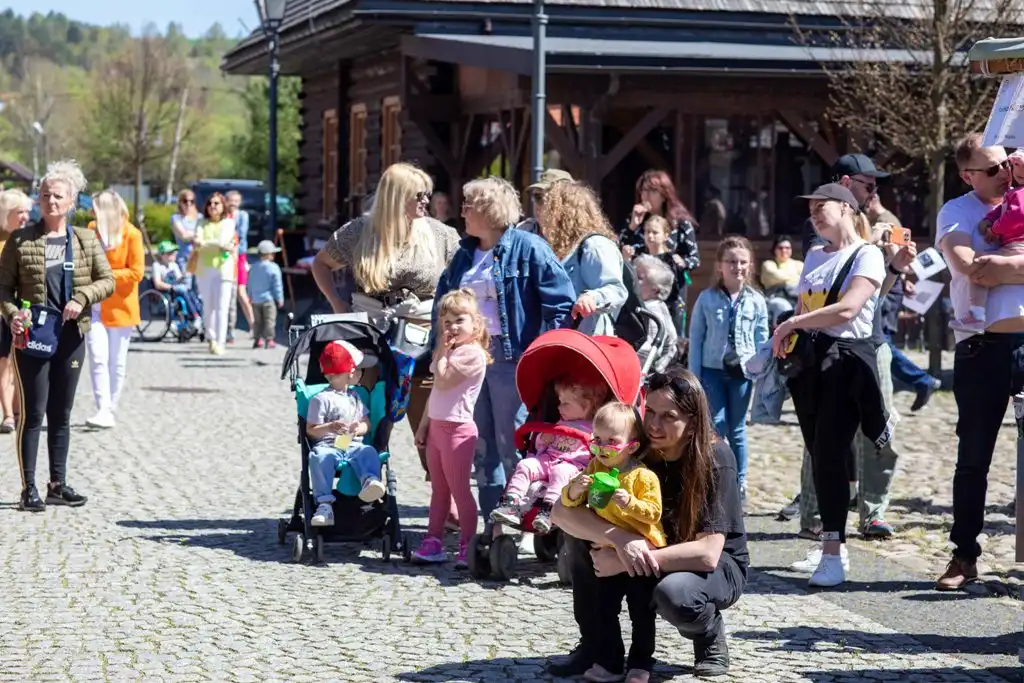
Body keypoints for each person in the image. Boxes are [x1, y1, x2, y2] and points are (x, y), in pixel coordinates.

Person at [550, 367, 747, 679]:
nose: (654, 425)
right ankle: (594, 646)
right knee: (579, 538)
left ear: (693, 420)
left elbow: (708, 552)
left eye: (668, 416)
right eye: (650, 411)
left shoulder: (715, 457)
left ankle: (708, 634)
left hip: (713, 566)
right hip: (651, 545)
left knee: (675, 595)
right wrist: (619, 539)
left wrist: (626, 559)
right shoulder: (636, 449)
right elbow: (560, 513)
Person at [770, 183, 894, 588]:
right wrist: (788, 332)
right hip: (811, 364)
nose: (815, 215)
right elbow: (806, 309)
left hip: (846, 362)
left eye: (822, 207)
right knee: (819, 453)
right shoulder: (815, 257)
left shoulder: (868, 254)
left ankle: (833, 553)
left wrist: (793, 322)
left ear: (845, 208)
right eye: (811, 209)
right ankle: (831, 545)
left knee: (828, 453)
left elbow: (849, 308)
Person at [433, 176, 575, 525]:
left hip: (512, 358)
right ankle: (493, 523)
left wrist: (543, 352)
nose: (462, 211)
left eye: (468, 205)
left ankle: (526, 519)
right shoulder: (464, 253)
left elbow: (562, 302)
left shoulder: (529, 247)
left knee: (514, 441)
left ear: (488, 209)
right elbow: (443, 301)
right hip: (469, 356)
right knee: (480, 444)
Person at [311, 162, 460, 478]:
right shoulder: (359, 232)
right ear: (396, 197)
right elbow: (321, 265)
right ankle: (364, 488)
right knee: (368, 417)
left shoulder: (439, 234)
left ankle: (442, 502)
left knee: (430, 422)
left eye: (427, 195)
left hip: (422, 336)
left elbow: (465, 277)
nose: (425, 201)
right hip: (370, 333)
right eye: (418, 195)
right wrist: (337, 303)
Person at [933, 134, 1024, 591]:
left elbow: (989, 267)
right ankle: (964, 554)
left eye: (1007, 165)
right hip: (981, 345)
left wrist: (1000, 263)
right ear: (967, 175)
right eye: (992, 169)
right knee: (973, 458)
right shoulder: (956, 211)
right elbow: (970, 266)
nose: (1005, 175)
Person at [0, 160, 115, 512]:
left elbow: (107, 281)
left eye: (58, 196)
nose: (51, 201)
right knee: (32, 414)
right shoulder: (21, 240)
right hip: (31, 336)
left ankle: (57, 484)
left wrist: (82, 297)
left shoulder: (85, 239)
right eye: (46, 195)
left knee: (61, 413)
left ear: (71, 202)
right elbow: (2, 289)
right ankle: (28, 488)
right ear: (39, 199)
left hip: (71, 334)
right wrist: (12, 315)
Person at [561, 402, 666, 683]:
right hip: (608, 554)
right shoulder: (594, 468)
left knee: (641, 613)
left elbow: (654, 512)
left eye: (611, 442)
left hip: (638, 556)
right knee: (604, 609)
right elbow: (568, 501)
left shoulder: (643, 476)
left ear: (631, 447)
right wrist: (575, 488)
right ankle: (610, 662)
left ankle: (641, 662)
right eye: (597, 440)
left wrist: (629, 502)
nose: (601, 448)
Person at [412, 289, 490, 566]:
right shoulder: (448, 352)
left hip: (458, 432)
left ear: (475, 324)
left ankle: (468, 544)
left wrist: (442, 351)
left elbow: (444, 380)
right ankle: (433, 540)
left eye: (459, 320)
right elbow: (436, 394)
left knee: (460, 491)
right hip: (437, 429)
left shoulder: (472, 355)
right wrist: (423, 426)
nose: (452, 327)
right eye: (446, 322)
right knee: (439, 491)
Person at [689, 235, 768, 497]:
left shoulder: (756, 300)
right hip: (712, 371)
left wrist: (757, 370)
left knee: (737, 428)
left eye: (743, 262)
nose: (738, 267)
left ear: (750, 265)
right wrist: (695, 378)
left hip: (742, 372)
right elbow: (696, 339)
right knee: (716, 426)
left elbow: (762, 339)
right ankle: (716, 476)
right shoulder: (706, 298)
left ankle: (740, 481)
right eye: (731, 261)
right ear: (720, 266)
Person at [490, 376, 609, 533]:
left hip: (573, 466)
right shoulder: (560, 422)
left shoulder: (594, 428)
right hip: (548, 459)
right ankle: (511, 503)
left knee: (561, 471)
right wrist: (543, 439)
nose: (559, 407)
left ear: (586, 406)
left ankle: (549, 510)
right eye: (560, 402)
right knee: (525, 464)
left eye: (565, 403)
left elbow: (595, 455)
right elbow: (540, 448)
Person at [308, 339, 387, 526]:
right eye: (358, 369)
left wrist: (360, 428)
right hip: (328, 444)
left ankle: (370, 482)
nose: (361, 373)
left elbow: (366, 422)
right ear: (348, 373)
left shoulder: (356, 397)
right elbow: (311, 430)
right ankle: (324, 505)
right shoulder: (320, 399)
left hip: (351, 443)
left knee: (368, 452)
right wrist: (329, 427)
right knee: (319, 457)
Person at [84, 190, 144, 430]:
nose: (91, 213)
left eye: (95, 208)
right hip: (93, 305)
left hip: (121, 306)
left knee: (116, 362)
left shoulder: (132, 234)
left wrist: (106, 276)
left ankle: (109, 409)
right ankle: (102, 408)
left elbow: (136, 272)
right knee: (97, 357)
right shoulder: (91, 230)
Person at [537, 181, 627, 337]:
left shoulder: (595, 246)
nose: (543, 214)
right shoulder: (559, 247)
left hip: (588, 343)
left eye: (550, 209)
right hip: (562, 340)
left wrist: (591, 297)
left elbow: (617, 291)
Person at [620, 171, 700, 283]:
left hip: (671, 287)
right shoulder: (634, 219)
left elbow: (694, 259)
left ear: (664, 195)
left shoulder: (680, 223)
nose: (646, 195)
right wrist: (632, 227)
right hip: (642, 286)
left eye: (653, 191)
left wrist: (681, 262)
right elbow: (619, 250)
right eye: (644, 190)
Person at [800, 154, 889, 254]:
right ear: (846, 183)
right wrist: (870, 241)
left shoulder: (860, 218)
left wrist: (895, 265)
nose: (873, 193)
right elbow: (820, 262)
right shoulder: (821, 220)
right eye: (869, 187)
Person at [0, 189, 31, 433]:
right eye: (19, 212)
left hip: (24, 311)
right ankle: (9, 415)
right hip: (2, 313)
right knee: (5, 364)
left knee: (22, 363)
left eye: (27, 211)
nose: (25, 216)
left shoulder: (29, 239)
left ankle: (21, 412)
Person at [193, 193, 237, 356]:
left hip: (223, 269)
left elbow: (223, 242)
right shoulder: (201, 222)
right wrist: (215, 244)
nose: (213, 206)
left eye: (216, 203)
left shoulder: (228, 223)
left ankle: (221, 342)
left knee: (222, 307)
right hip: (204, 269)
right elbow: (197, 242)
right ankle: (211, 338)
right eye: (210, 203)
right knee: (208, 307)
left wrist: (206, 243)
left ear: (223, 206)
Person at [637, 215, 689, 336]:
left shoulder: (672, 259)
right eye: (647, 232)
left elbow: (676, 288)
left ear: (666, 235)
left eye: (655, 232)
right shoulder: (640, 258)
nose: (650, 236)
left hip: (670, 308)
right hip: (645, 307)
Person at [633, 255, 679, 373]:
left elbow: (651, 350)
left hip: (647, 373)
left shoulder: (653, 312)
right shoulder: (647, 305)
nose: (633, 279)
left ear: (655, 290)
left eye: (639, 278)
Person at [225, 191, 254, 344]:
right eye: (231, 200)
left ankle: (253, 326)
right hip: (226, 256)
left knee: (241, 292)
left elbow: (240, 234)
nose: (234, 203)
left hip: (239, 255)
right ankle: (230, 331)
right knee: (228, 295)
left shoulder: (242, 216)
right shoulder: (222, 215)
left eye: (236, 200)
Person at [151, 242, 202, 325]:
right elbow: (158, 284)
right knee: (182, 290)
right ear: (162, 255)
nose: (173, 255)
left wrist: (184, 276)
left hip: (176, 289)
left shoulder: (174, 265)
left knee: (190, 291)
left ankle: (198, 313)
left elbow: (179, 279)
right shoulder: (157, 266)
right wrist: (171, 287)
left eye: (173, 253)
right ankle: (195, 316)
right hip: (165, 291)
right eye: (170, 253)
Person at [248, 239, 284, 349]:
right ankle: (270, 339)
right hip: (268, 300)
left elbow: (249, 283)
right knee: (269, 320)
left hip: (256, 300)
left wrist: (250, 295)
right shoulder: (274, 268)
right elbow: (277, 285)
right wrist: (280, 298)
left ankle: (257, 339)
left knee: (257, 321)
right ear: (270, 254)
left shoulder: (253, 267)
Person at [760, 235, 803, 327]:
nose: (784, 251)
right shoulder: (768, 264)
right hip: (775, 298)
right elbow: (776, 276)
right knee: (783, 307)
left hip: (796, 298)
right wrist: (795, 277)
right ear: (774, 249)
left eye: (787, 248)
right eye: (780, 248)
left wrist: (784, 278)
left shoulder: (799, 264)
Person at [170, 189, 199, 275]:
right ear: (180, 202)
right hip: (184, 259)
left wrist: (191, 233)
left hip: (200, 258)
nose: (188, 204)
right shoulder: (176, 218)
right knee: (186, 285)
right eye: (185, 201)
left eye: (191, 201)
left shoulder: (200, 217)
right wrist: (197, 234)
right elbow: (183, 236)